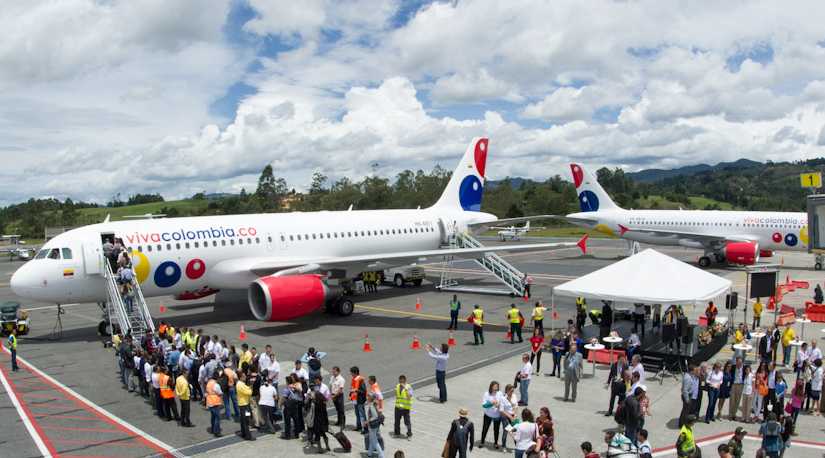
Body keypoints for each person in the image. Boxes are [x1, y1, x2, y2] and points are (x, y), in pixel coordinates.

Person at [480, 381, 503, 449]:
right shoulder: (487, 394)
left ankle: (495, 443)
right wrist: (491, 403)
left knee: (496, 430)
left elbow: (503, 402)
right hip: (488, 415)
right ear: (491, 387)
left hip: (497, 415)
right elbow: (484, 405)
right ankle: (482, 442)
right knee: (485, 428)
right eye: (495, 387)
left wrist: (499, 405)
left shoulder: (500, 393)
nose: (496, 388)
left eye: (497, 387)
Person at [311, 388, 331, 452]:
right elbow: (325, 414)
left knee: (317, 436)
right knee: (324, 434)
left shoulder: (315, 404)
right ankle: (327, 446)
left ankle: (320, 449)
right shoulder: (323, 404)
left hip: (317, 421)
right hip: (323, 421)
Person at [235, 371, 254, 441]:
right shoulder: (240, 385)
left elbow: (247, 388)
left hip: (244, 404)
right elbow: (249, 392)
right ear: (240, 377)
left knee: (243, 420)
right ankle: (248, 436)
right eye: (244, 376)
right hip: (244, 405)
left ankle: (243, 433)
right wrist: (251, 387)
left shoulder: (241, 384)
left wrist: (249, 387)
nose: (245, 377)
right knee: (246, 420)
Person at [366, 392, 385, 458]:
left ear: (370, 398)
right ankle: (369, 453)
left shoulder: (371, 405)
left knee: (374, 441)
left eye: (368, 396)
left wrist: (367, 422)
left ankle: (381, 455)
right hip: (376, 424)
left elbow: (375, 416)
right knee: (372, 439)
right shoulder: (375, 403)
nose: (367, 398)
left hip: (373, 425)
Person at [206, 371, 223, 437]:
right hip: (215, 402)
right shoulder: (216, 385)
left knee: (213, 417)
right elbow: (220, 392)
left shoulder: (209, 382)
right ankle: (217, 431)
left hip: (209, 402)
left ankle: (213, 429)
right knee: (217, 418)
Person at [350, 366, 367, 431]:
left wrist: (356, 390)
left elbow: (363, 391)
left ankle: (365, 428)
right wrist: (350, 395)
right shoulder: (353, 379)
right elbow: (352, 388)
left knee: (361, 414)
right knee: (357, 414)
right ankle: (359, 426)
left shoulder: (361, 380)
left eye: (352, 373)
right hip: (355, 400)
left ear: (355, 373)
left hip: (360, 400)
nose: (351, 374)